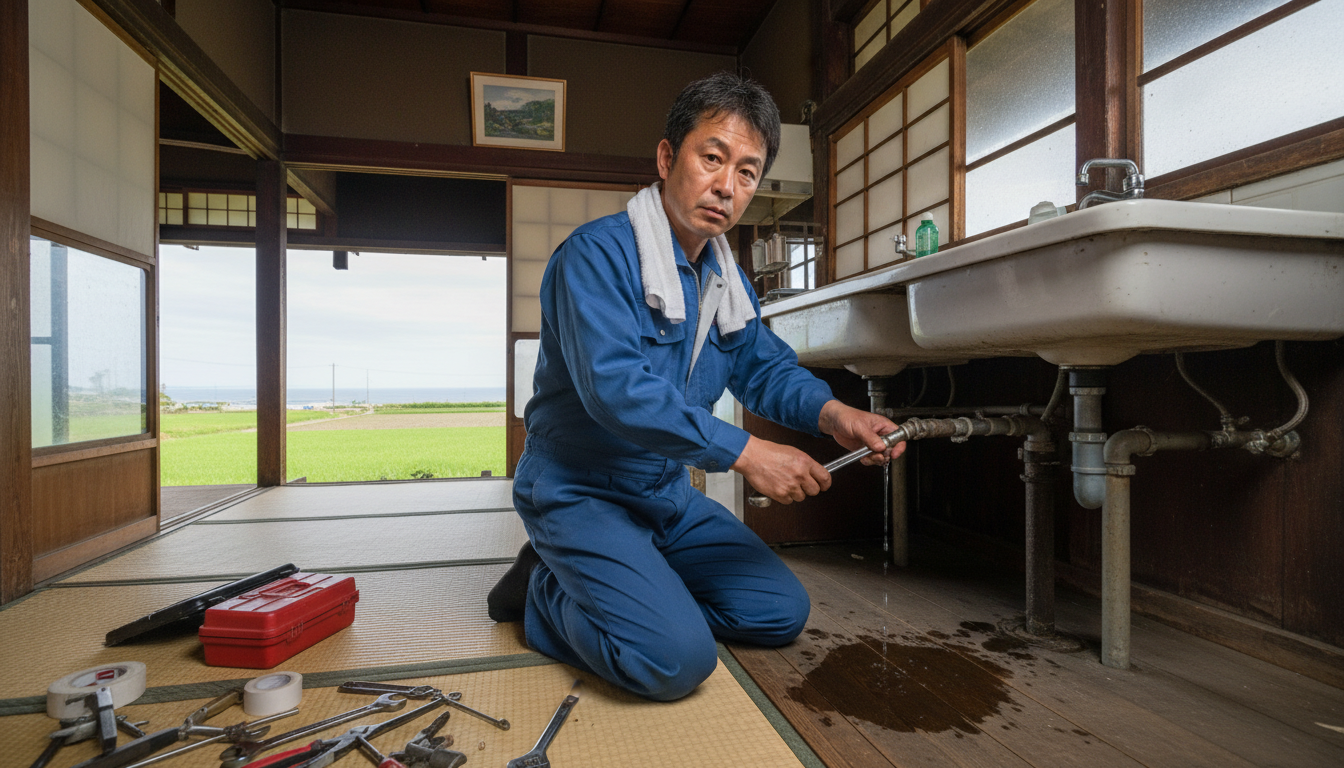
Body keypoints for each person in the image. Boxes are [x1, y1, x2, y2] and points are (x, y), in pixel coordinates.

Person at [487, 71, 904, 701]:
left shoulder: (723, 278)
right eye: (712, 158)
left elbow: (763, 368)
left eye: (747, 172)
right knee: (674, 662)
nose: (726, 186)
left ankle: (631, 592)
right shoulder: (594, 257)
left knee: (777, 612)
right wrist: (749, 453)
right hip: (578, 491)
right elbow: (618, 393)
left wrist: (838, 415)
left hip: (663, 495)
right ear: (666, 157)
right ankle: (546, 589)